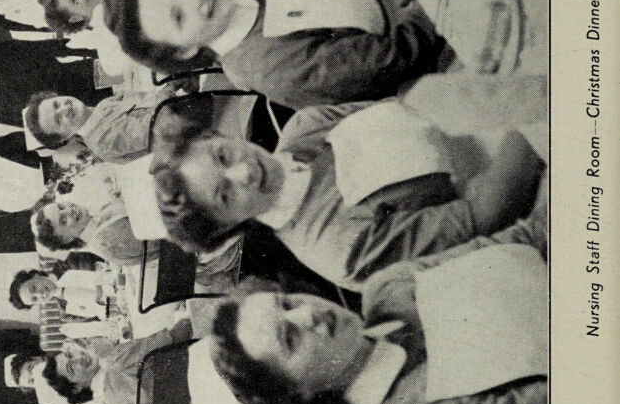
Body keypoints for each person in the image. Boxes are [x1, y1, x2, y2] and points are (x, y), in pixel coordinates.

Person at [207, 214, 548, 404]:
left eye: (287, 303)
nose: (309, 314)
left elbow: (528, 236)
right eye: (290, 339)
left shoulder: (387, 290)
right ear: (298, 394)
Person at [149, 96, 545, 288]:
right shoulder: (340, 247)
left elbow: (416, 102)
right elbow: (488, 214)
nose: (244, 171)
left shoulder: (304, 127)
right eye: (225, 195)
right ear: (227, 228)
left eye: (222, 154)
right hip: (531, 182)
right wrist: (533, 107)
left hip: (494, 111)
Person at [102, 0, 453, 108]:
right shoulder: (270, 67)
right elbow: (397, 58)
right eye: (178, 17)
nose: (194, 0)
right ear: (185, 50)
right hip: (437, 55)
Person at [0, 48, 105, 130]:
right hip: (81, 113)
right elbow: (38, 127)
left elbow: (45, 56)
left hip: (84, 74)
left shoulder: (3, 55)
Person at [40, 321, 192, 404]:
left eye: (71, 356)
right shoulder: (112, 361)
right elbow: (181, 332)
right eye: (72, 368)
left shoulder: (113, 402)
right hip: (198, 367)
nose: (79, 358)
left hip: (192, 399)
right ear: (77, 388)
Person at [31, 165, 145, 267]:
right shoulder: (107, 238)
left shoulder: (95, 224)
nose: (69, 210)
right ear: (66, 239)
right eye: (63, 220)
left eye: (61, 207)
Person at [24, 88, 162, 161]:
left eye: (56, 104)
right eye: (59, 120)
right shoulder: (103, 141)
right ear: (64, 137)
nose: (65, 109)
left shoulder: (100, 107)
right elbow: (163, 128)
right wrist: (168, 90)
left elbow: (143, 99)